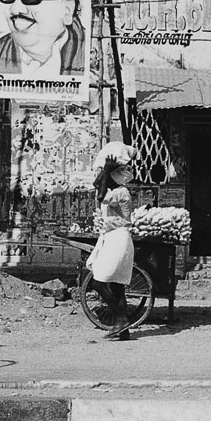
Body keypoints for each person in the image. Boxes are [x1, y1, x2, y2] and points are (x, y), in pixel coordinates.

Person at [87, 142, 137, 340]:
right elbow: (97, 185)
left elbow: (99, 195)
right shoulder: (114, 191)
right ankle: (123, 330)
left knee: (99, 283)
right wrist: (106, 170)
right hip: (112, 238)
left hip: (118, 239)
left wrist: (107, 169)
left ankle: (120, 319)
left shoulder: (121, 193)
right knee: (117, 287)